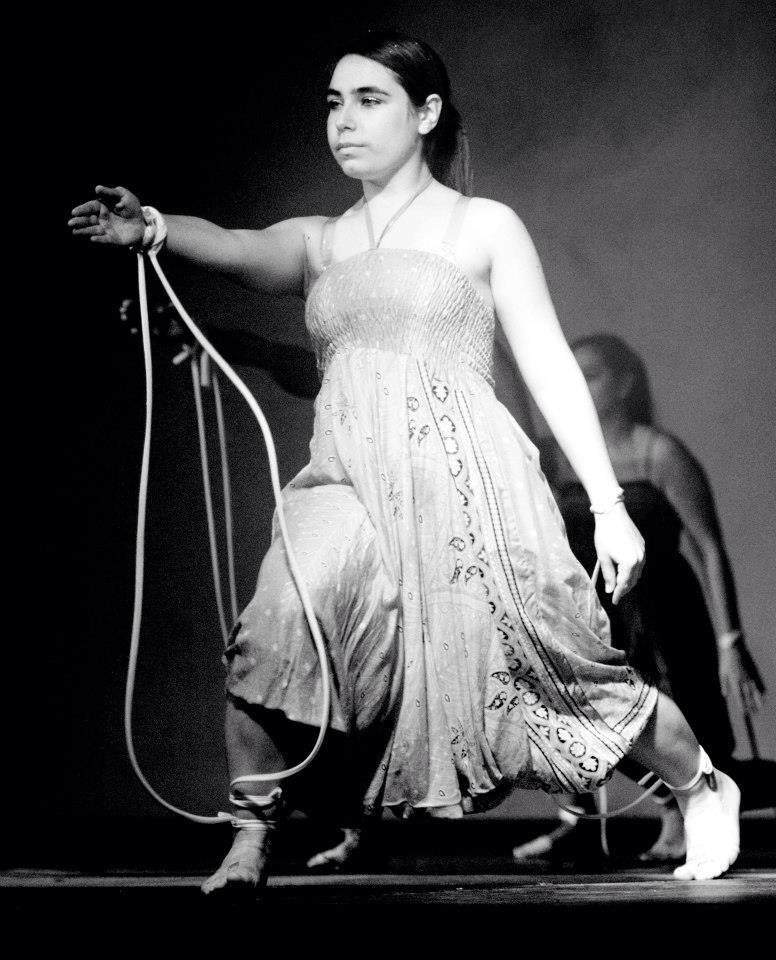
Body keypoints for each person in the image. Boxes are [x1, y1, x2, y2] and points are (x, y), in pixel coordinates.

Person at [70, 30, 742, 893]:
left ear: (425, 113)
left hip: (465, 483)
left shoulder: (481, 225)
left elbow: (547, 363)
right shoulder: (321, 241)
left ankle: (700, 783)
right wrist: (155, 227)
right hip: (347, 483)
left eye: (368, 99)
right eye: (333, 103)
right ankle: (249, 835)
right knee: (279, 621)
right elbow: (237, 246)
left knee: (552, 661)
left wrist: (609, 506)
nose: (343, 121)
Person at [513, 334, 769, 863]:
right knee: (597, 717)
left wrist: (731, 643)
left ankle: (686, 817)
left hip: (664, 612)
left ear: (626, 383)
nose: (580, 386)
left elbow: (709, 546)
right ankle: (603, 820)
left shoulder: (659, 452)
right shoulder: (560, 456)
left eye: (592, 375)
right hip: (599, 611)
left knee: (682, 721)